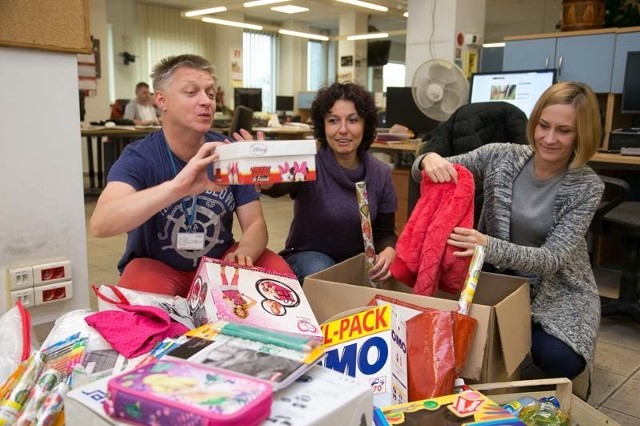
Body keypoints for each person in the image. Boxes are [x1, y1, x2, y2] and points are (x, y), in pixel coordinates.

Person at [411, 81, 604, 380]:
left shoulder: (588, 186)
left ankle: (520, 330)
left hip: (557, 289)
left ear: (583, 133)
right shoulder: (501, 155)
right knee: (462, 335)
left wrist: (487, 244)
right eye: (543, 125)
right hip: (498, 275)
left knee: (562, 360)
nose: (549, 138)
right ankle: (512, 331)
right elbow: (427, 170)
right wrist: (428, 158)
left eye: (564, 131)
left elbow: (551, 259)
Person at [90, 54, 291, 298]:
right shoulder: (140, 157)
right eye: (191, 92)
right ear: (161, 100)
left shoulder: (227, 152)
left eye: (210, 93)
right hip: (158, 265)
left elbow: (256, 224)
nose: (206, 101)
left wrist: (246, 250)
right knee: (139, 308)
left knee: (280, 277)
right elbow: (101, 224)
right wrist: (178, 187)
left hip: (220, 261)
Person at [260, 82, 398, 284]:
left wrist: (389, 252)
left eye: (352, 120)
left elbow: (385, 232)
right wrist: (265, 178)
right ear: (322, 125)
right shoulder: (309, 163)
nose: (343, 130)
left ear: (365, 124)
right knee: (323, 268)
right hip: (308, 260)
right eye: (333, 121)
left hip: (356, 263)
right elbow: (278, 187)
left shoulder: (381, 173)